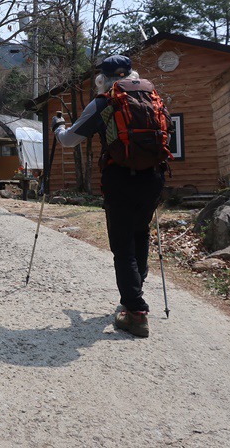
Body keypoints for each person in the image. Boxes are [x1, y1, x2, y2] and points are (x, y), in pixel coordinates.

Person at [52, 55, 166, 338]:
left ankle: (136, 313)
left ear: (101, 79)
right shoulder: (152, 99)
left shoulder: (104, 102)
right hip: (153, 178)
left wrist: (57, 127)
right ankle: (134, 294)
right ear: (131, 75)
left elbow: (68, 140)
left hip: (120, 180)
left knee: (123, 245)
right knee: (140, 233)